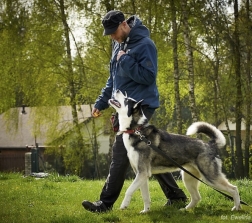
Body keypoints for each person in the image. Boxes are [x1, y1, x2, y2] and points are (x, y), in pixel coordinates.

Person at [82, 10, 187, 213]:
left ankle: (105, 204)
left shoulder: (145, 45)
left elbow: (148, 77)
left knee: (121, 152)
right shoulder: (117, 44)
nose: (111, 36)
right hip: (123, 107)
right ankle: (176, 196)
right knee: (148, 150)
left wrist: (125, 60)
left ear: (123, 24)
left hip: (141, 106)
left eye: (113, 31)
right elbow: (113, 80)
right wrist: (100, 103)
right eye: (109, 33)